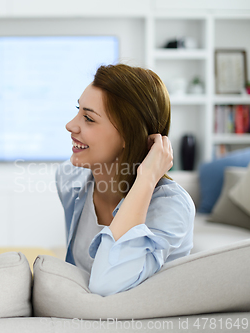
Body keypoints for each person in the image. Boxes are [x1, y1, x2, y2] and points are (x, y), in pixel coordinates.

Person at [56, 64, 195, 297]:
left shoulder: (172, 207)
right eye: (78, 110)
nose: (70, 125)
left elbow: (107, 285)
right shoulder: (71, 179)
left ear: (128, 136)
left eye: (88, 118)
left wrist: (147, 179)